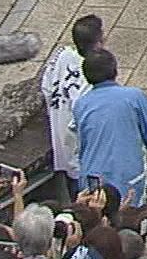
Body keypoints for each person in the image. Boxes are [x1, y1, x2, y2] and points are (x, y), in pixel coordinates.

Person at [72, 48, 147, 206]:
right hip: (125, 178)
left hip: (90, 177)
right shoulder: (133, 96)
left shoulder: (81, 104)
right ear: (115, 70)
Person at [43, 14, 104, 187]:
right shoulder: (91, 75)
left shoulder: (61, 55)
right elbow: (83, 115)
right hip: (77, 146)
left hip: (58, 127)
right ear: (98, 42)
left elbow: (46, 86)